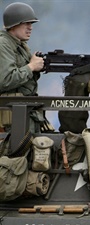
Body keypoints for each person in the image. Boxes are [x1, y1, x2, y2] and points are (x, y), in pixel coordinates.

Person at [0, 2, 50, 133]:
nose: (30, 28)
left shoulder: (19, 44)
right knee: (18, 152)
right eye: (26, 23)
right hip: (12, 116)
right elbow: (5, 80)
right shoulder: (3, 45)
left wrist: (37, 67)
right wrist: (31, 66)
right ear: (14, 24)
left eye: (31, 24)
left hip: (22, 112)